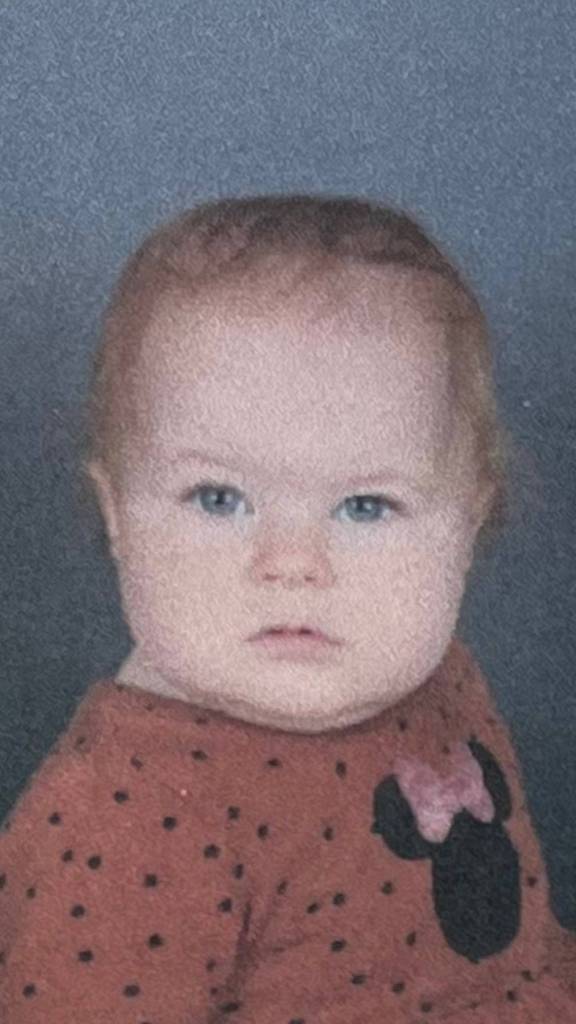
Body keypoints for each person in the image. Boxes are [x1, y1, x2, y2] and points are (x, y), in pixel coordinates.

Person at [1, 194, 575, 1023]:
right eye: (219, 497)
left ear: (467, 525)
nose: (293, 565)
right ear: (119, 519)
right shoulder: (122, 827)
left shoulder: (425, 672)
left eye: (366, 507)